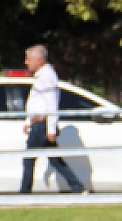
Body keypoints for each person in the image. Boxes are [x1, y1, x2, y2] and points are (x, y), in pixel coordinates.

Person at [20, 45, 84, 194]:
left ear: (39, 60)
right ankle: (77, 187)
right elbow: (37, 102)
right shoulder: (41, 76)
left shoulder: (47, 77)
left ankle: (24, 192)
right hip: (39, 123)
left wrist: (50, 129)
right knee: (55, 160)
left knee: (28, 159)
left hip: (42, 124)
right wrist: (28, 121)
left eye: (29, 59)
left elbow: (51, 104)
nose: (26, 62)